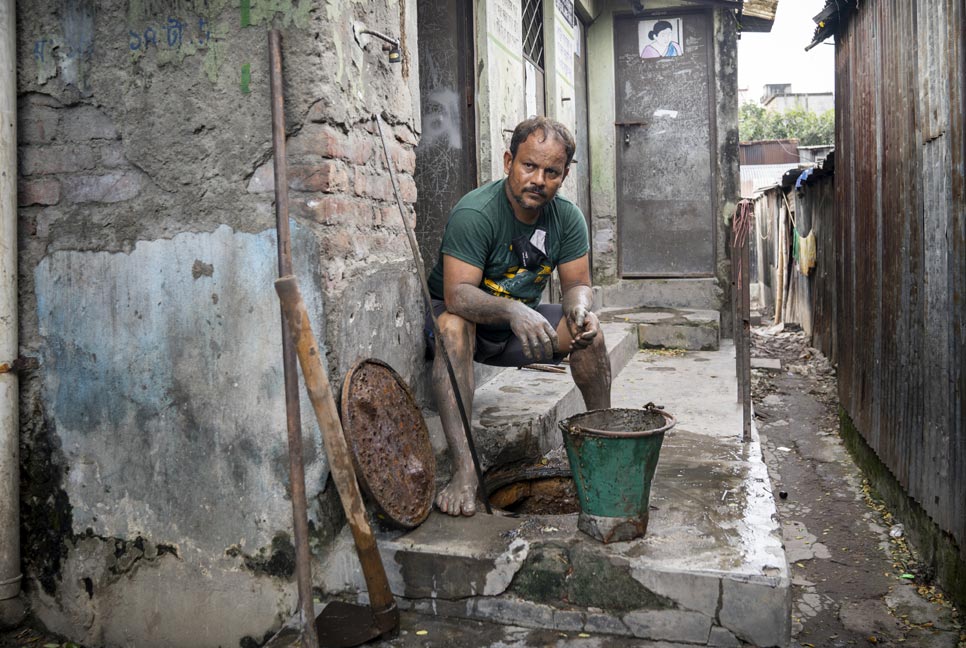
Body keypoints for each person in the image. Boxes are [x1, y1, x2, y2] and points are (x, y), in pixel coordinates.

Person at [425, 116, 612, 517]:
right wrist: (512, 310)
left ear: (563, 176)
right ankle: (463, 472)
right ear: (509, 160)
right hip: (469, 320)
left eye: (552, 172)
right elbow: (456, 295)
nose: (539, 180)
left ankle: (604, 441)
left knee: (589, 335)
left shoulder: (567, 218)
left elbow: (578, 283)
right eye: (530, 166)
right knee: (453, 330)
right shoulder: (475, 213)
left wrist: (580, 308)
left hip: (518, 329)